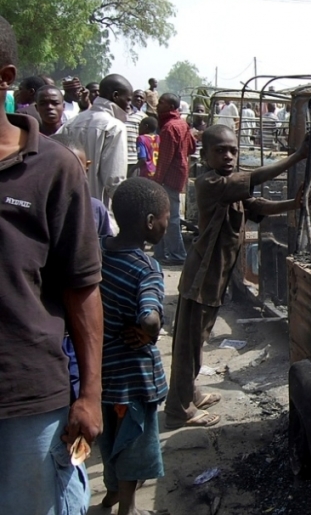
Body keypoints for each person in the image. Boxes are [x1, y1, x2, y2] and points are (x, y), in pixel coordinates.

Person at [0, 14, 104, 514]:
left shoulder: (52, 167)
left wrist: (90, 393)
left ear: (5, 78)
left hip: (27, 400)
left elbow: (82, 287)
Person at [164, 125, 310, 428]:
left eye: (233, 150)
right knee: (188, 344)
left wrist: (292, 205)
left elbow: (256, 206)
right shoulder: (210, 183)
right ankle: (179, 409)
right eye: (220, 151)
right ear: (204, 156)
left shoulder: (230, 185)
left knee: (197, 339)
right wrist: (297, 156)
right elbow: (256, 178)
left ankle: (189, 392)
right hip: (202, 277)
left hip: (216, 277)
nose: (228, 156)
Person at [97, 178, 169, 515]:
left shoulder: (99, 251)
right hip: (134, 376)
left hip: (103, 368)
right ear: (151, 222)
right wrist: (150, 331)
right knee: (134, 441)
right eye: (167, 217)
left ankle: (110, 496)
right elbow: (150, 318)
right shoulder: (147, 270)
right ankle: (128, 507)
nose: (170, 224)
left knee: (110, 437)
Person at [55, 74, 132, 206]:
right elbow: (114, 182)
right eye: (128, 100)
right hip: (98, 211)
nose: (129, 106)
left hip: (69, 207)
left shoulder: (71, 123)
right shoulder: (114, 127)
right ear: (115, 96)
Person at [153, 93, 196, 265]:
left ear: (171, 107)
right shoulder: (182, 123)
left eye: (161, 103)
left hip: (169, 177)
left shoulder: (169, 128)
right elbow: (192, 147)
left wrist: (156, 180)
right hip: (179, 174)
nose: (157, 105)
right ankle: (161, 252)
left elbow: (164, 158)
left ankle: (177, 254)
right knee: (166, 214)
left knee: (170, 217)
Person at [56, 136, 114, 239]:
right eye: (59, 170)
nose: (67, 177)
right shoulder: (35, 208)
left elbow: (102, 248)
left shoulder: (95, 208)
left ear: (86, 168)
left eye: (77, 171)